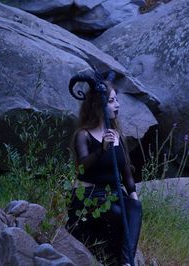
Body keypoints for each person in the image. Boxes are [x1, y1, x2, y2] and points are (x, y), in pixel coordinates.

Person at [66, 72, 142, 266]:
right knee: (117, 213)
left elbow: (125, 171)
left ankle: (126, 262)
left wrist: (132, 194)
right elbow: (82, 167)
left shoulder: (116, 134)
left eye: (116, 100)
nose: (117, 105)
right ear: (98, 105)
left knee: (134, 207)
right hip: (88, 193)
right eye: (111, 101)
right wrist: (101, 149)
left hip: (113, 193)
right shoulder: (83, 135)